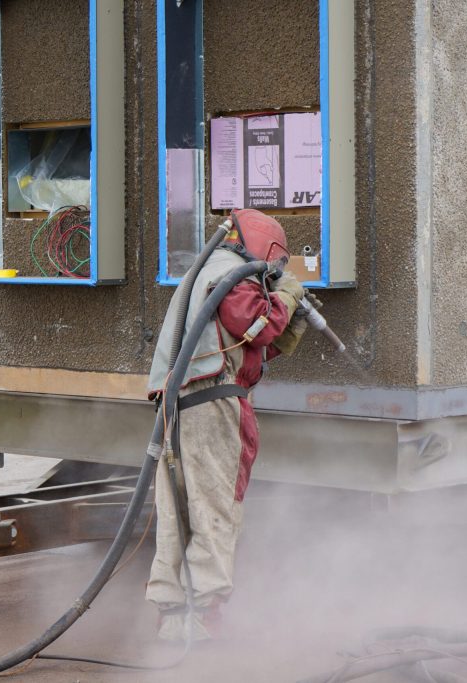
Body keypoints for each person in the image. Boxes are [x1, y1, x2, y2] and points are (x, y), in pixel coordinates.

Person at [145, 209, 313, 641]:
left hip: (178, 406)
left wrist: (286, 324)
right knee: (214, 508)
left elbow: (241, 343)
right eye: (276, 267)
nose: (274, 275)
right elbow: (255, 324)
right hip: (211, 407)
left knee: (177, 508)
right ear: (268, 252)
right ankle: (203, 618)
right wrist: (288, 298)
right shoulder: (235, 275)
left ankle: (170, 618)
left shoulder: (205, 272)